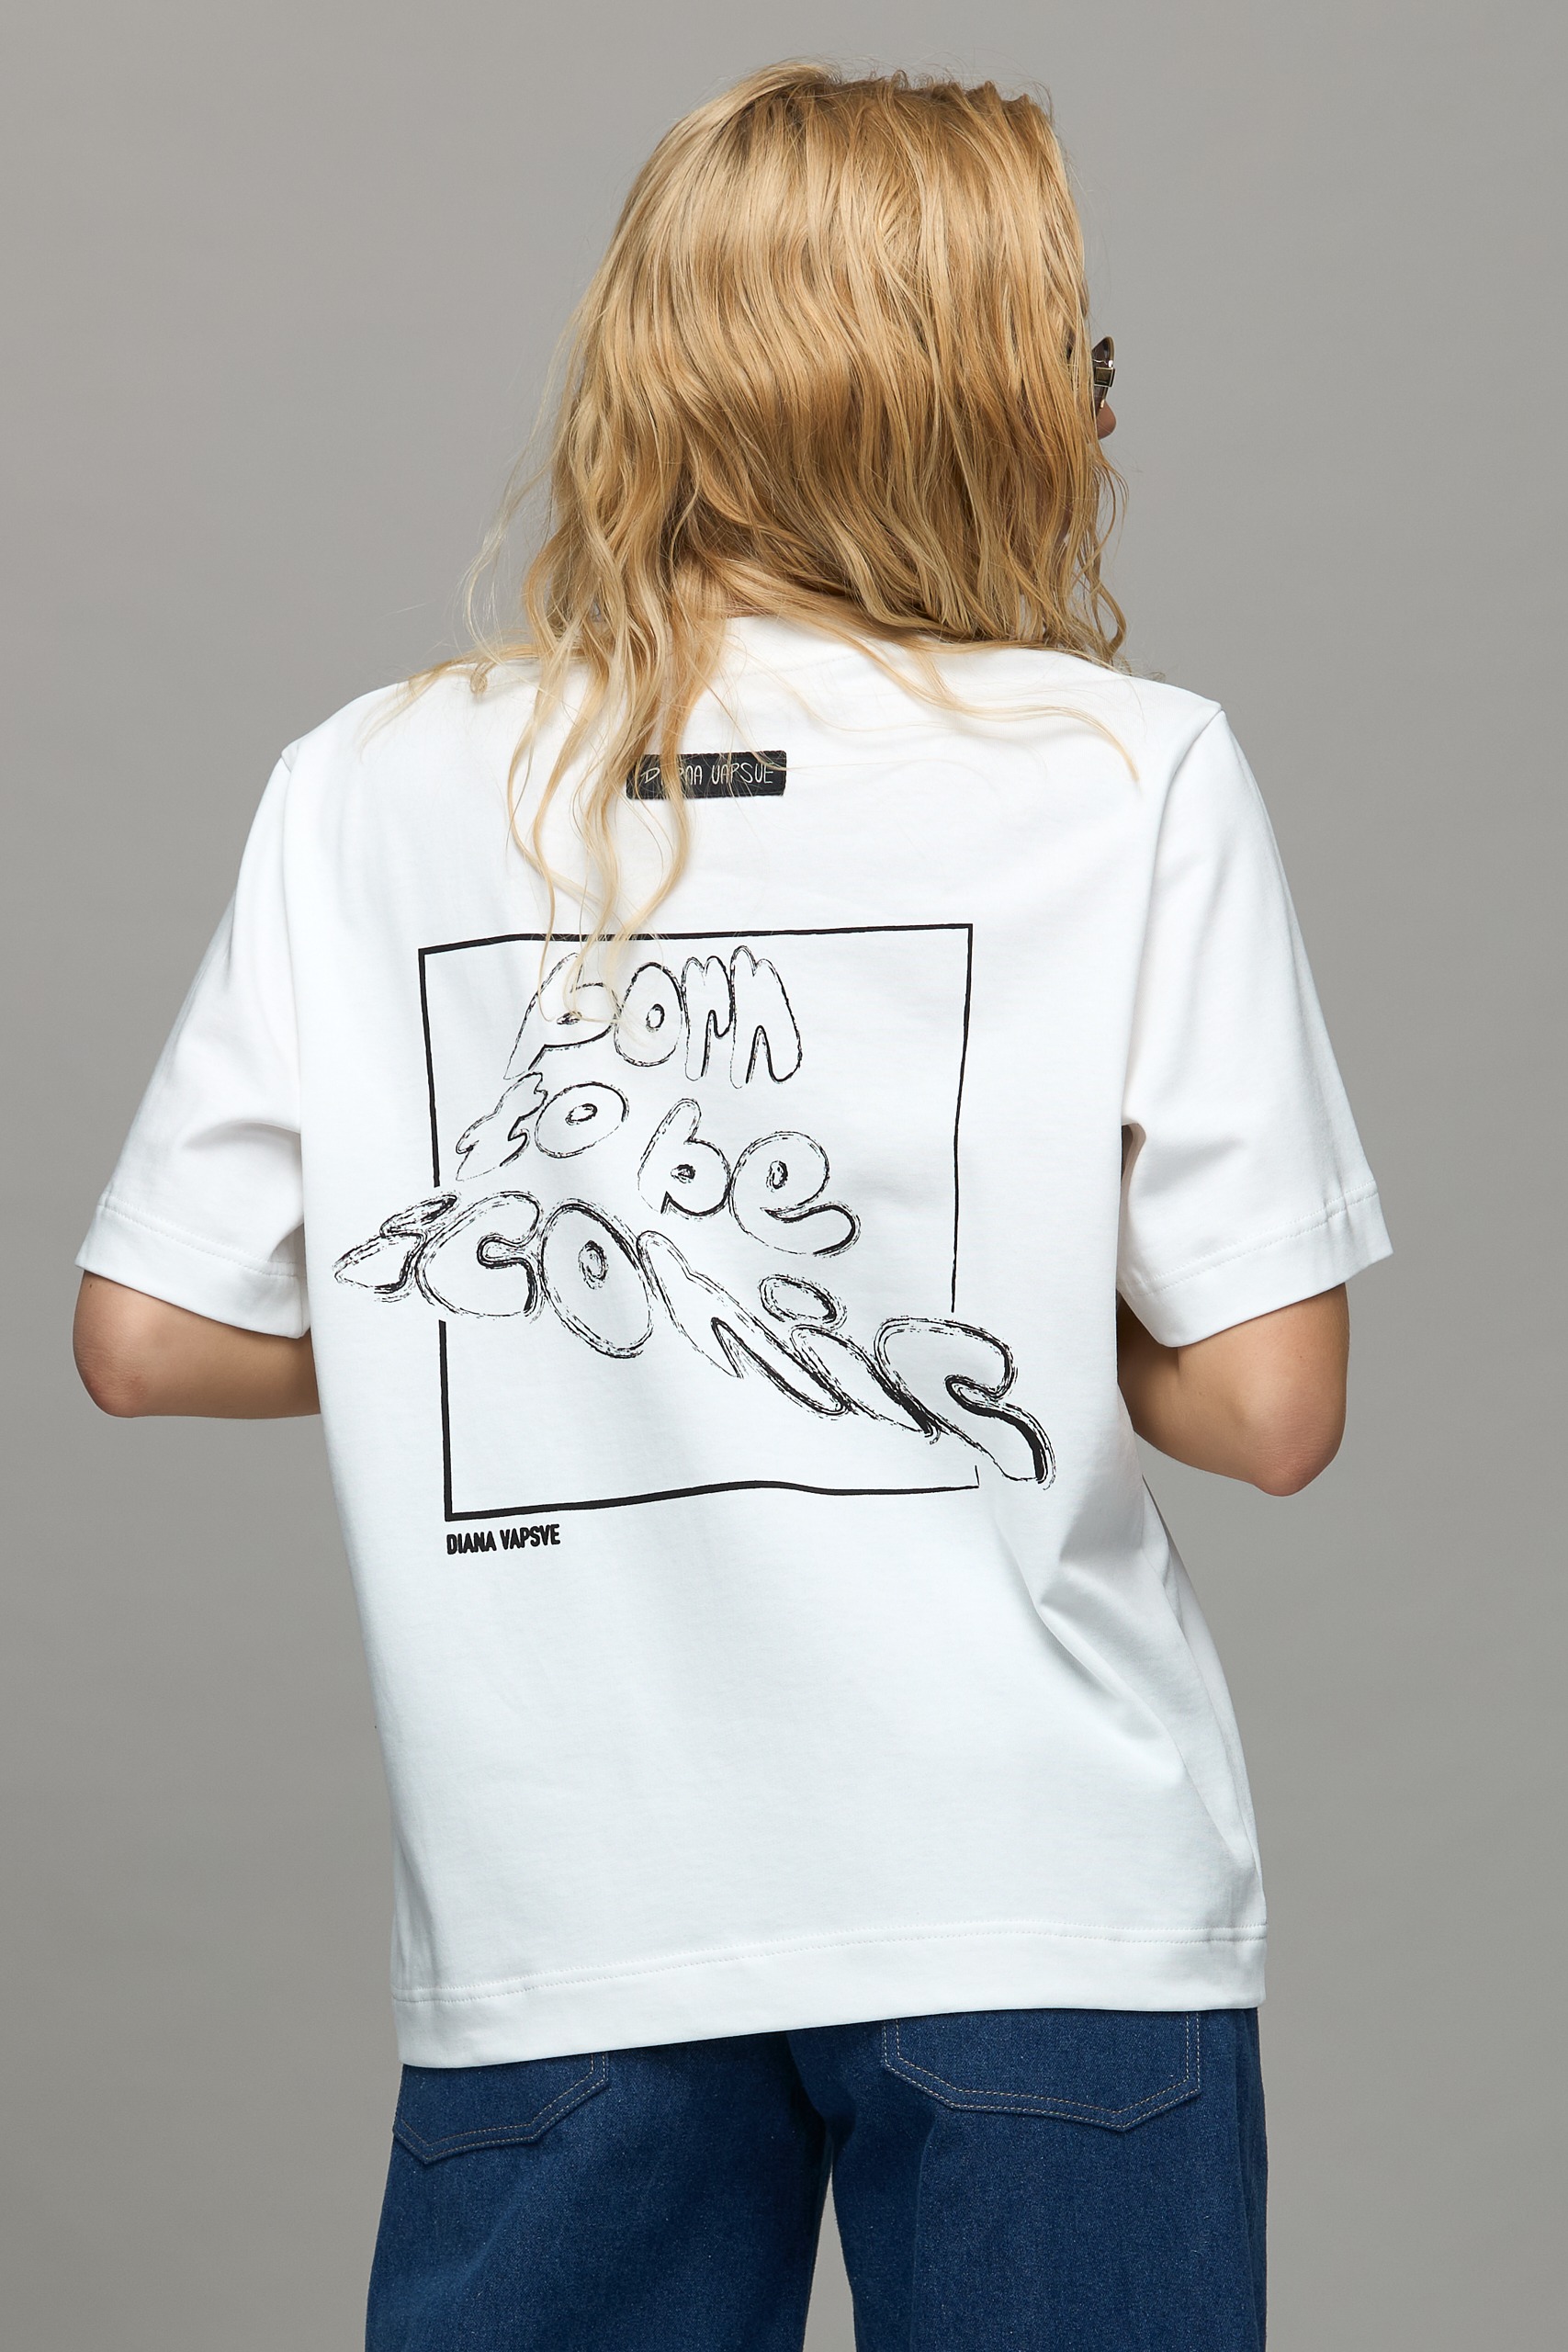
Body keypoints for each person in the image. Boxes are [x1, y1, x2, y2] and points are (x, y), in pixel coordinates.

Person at [72, 62, 1390, 2352]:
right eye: (1072, 352)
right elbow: (1270, 1406)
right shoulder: (1124, 770)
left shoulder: (368, 782)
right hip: (1038, 1894)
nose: (1098, 409)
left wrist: (583, 1336)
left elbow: (145, 1334)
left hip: (564, 1904)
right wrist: (931, 1295)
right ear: (961, 391)